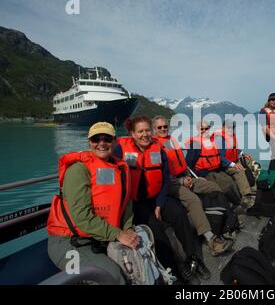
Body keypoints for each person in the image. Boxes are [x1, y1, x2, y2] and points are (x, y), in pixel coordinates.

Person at [115, 115, 210, 284]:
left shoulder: (158, 149)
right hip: (137, 202)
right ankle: (174, 271)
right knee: (156, 229)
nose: (145, 134)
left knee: (179, 213)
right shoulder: (120, 149)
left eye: (147, 131)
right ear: (133, 134)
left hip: (157, 197)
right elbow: (103, 154)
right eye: (140, 131)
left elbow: (165, 179)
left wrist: (159, 204)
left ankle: (194, 258)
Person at [47, 122, 139, 285]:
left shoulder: (119, 167)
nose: (101, 143)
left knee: (138, 259)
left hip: (101, 237)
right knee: (112, 277)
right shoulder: (78, 170)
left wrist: (128, 229)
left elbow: (127, 204)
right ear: (89, 142)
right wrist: (118, 234)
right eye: (96, 139)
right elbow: (81, 217)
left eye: (107, 139)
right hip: (69, 242)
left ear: (115, 141)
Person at [151, 115, 233, 256]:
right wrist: (180, 181)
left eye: (165, 126)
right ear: (154, 129)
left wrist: (191, 177)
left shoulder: (171, 140)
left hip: (185, 177)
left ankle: (225, 224)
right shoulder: (155, 147)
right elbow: (161, 175)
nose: (163, 129)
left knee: (213, 186)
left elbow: (183, 163)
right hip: (170, 184)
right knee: (193, 200)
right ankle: (211, 240)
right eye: (159, 127)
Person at [185, 120, 242, 208]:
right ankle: (233, 205)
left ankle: (238, 202)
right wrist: (196, 177)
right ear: (198, 129)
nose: (204, 131)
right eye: (201, 129)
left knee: (230, 180)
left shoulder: (212, 141)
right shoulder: (196, 144)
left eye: (206, 128)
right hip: (203, 172)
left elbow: (219, 156)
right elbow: (188, 164)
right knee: (225, 184)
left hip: (215, 169)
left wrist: (237, 158)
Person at [213, 120, 254, 207]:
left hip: (233, 160)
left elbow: (233, 149)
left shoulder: (230, 136)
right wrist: (233, 164)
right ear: (223, 127)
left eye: (232, 128)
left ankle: (251, 185)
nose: (230, 130)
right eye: (228, 128)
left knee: (249, 161)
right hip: (223, 165)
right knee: (239, 170)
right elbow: (219, 157)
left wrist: (243, 154)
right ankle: (246, 196)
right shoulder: (219, 139)